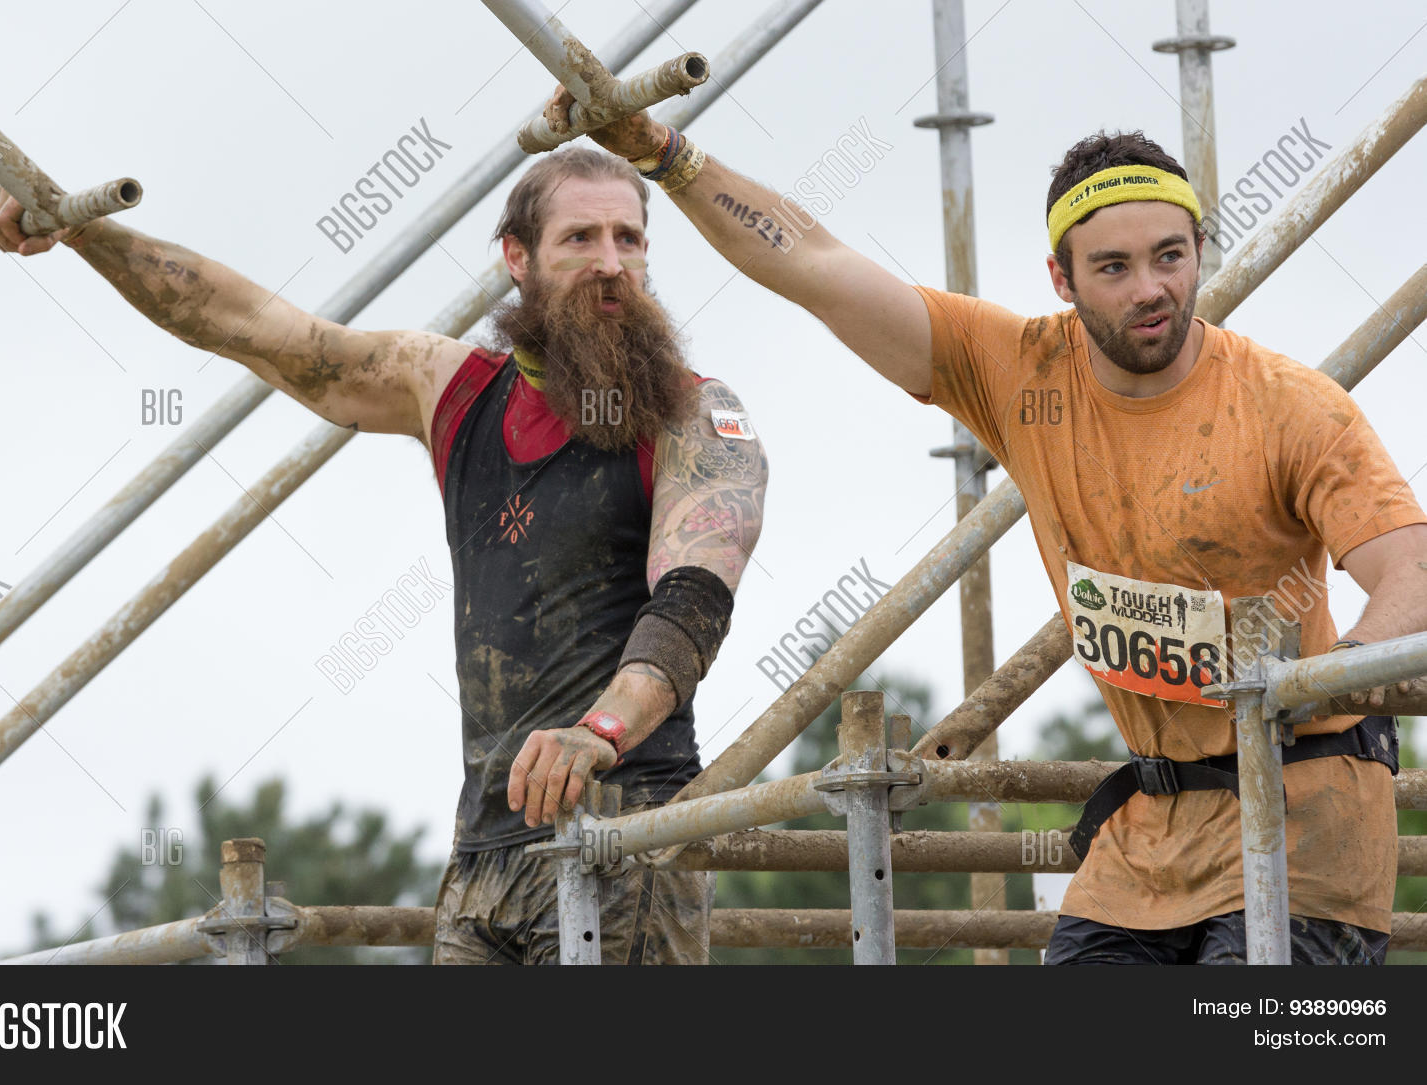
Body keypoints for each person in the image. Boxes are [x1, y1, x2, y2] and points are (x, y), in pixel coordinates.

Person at [559, 96, 1427, 964]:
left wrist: (1316, 679)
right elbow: (812, 262)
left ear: (1200, 248)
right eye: (1115, 267)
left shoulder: (1289, 408)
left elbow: (1413, 569)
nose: (1152, 288)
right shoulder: (1021, 371)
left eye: (1171, 256)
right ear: (1063, 277)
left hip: (1303, 823)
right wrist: (664, 153)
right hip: (1151, 837)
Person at [0, 145, 768, 965]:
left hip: (623, 831)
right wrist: (79, 231)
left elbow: (691, 604)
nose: (612, 265)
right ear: (518, 258)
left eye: (629, 240)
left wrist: (601, 730)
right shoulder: (452, 386)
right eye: (581, 239)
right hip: (484, 855)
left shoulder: (694, 413)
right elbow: (259, 328)